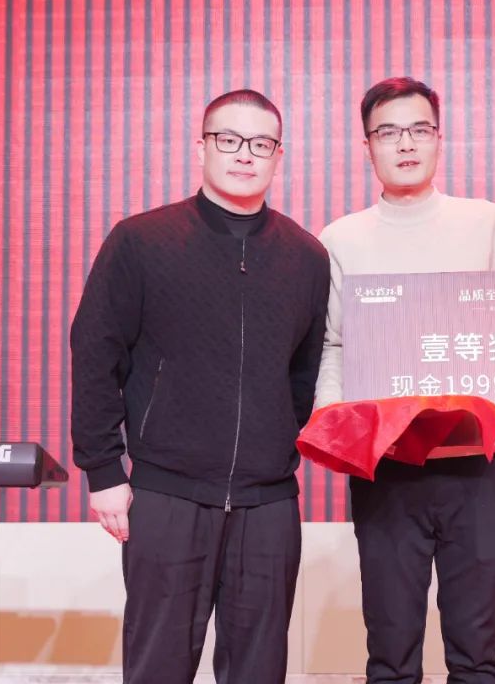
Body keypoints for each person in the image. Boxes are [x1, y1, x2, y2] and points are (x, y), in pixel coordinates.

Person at [315, 76, 495, 683]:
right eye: (388, 132)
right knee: (391, 656)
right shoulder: (340, 238)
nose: (405, 143)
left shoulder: (483, 221)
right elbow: (333, 345)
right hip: (386, 470)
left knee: (477, 654)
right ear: (367, 147)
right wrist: (331, 421)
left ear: (439, 138)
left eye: (419, 129)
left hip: (474, 468)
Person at [71, 89, 330, 684]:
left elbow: (304, 374)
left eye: (261, 143)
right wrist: (103, 471)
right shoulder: (141, 241)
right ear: (201, 147)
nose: (245, 154)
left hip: (269, 504)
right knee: (158, 667)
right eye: (229, 139)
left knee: (259, 671)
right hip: (167, 494)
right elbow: (95, 355)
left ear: (279, 155)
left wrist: (273, 445)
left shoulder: (307, 257)